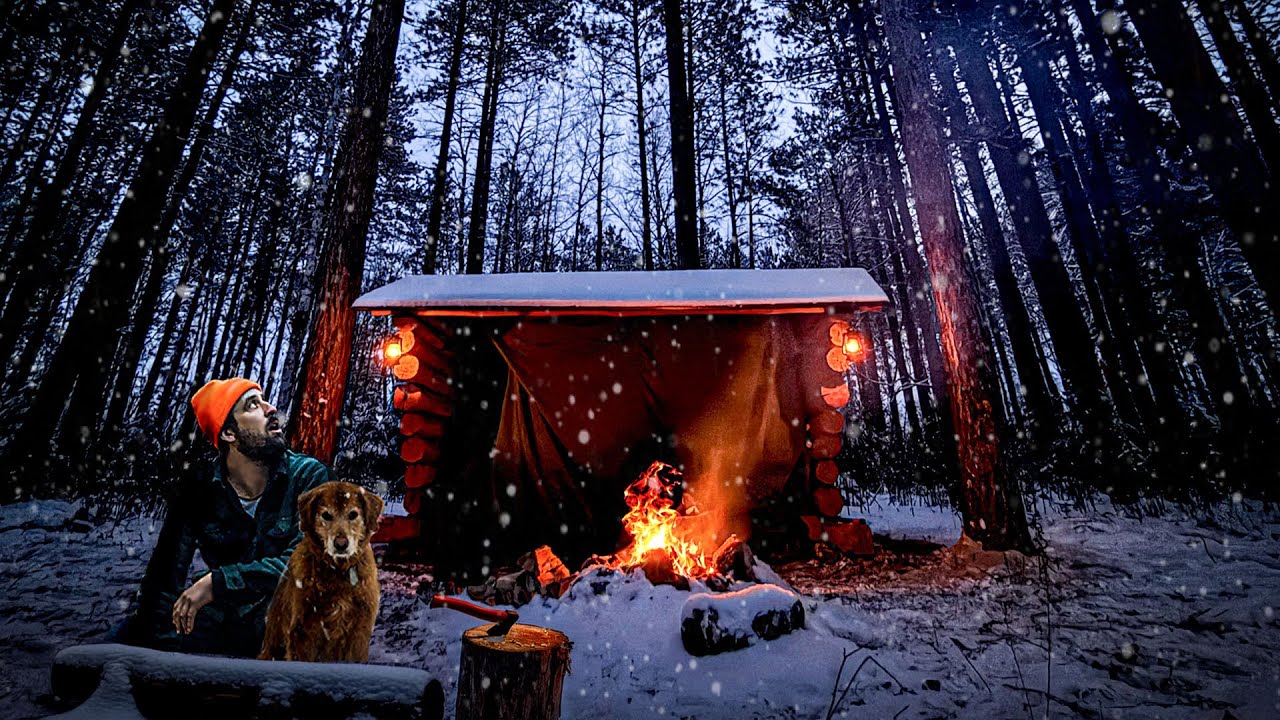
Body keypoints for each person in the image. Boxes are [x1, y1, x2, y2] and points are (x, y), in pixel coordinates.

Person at [113, 378, 333, 656]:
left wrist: (219, 582)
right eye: (253, 405)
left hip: (292, 619)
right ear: (229, 433)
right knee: (124, 639)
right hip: (226, 620)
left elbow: (308, 564)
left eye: (264, 399)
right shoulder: (200, 489)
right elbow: (164, 579)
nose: (271, 408)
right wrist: (162, 649)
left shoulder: (309, 477)